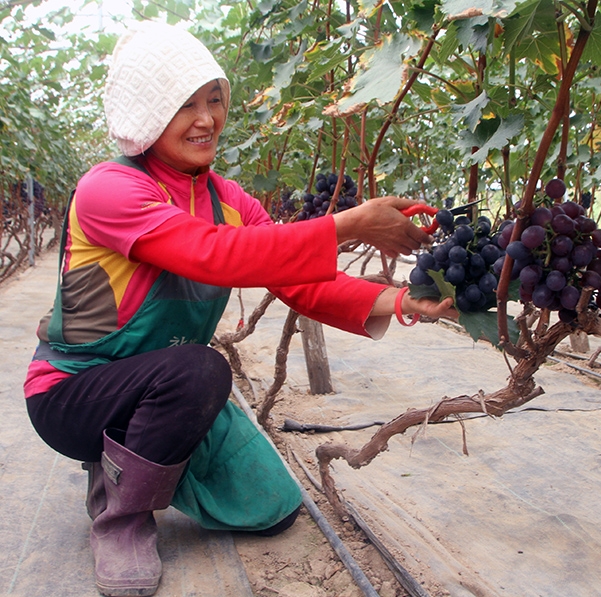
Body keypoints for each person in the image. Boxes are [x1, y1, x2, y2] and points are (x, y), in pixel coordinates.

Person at [23, 21, 455, 597]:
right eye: (184, 105)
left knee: (271, 508)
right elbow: (212, 255)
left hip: (158, 388)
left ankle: (133, 457)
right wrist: (348, 223)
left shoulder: (230, 200)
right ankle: (121, 515)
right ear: (148, 115)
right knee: (202, 367)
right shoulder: (109, 189)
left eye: (214, 100)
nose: (206, 118)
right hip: (74, 390)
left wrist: (403, 301)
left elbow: (299, 280)